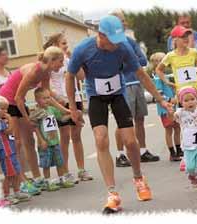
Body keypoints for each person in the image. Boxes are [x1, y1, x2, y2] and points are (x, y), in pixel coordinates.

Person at [66, 15, 171, 214]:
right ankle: (112, 193)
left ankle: (139, 178)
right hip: (96, 95)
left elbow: (141, 74)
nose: (116, 45)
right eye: (112, 41)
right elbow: (69, 76)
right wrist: (73, 107)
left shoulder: (123, 47)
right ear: (101, 35)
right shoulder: (83, 49)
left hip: (117, 94)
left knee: (131, 142)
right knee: (101, 139)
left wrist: (160, 98)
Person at [0, 46, 65, 194]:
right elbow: (18, 97)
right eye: (60, 62)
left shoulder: (46, 73)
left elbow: (47, 96)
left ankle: (37, 178)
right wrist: (28, 118)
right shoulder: (33, 71)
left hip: (18, 103)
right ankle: (21, 180)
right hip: (8, 102)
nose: (62, 65)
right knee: (16, 142)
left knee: (30, 141)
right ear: (52, 60)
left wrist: (67, 109)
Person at [156, 25, 197, 172]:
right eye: (182, 36)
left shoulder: (194, 52)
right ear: (175, 39)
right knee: (185, 125)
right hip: (182, 94)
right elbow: (158, 69)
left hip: (196, 91)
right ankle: (187, 156)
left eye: (187, 36)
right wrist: (167, 82)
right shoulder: (171, 56)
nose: (186, 39)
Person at [111, 10, 160, 167]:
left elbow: (143, 60)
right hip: (123, 87)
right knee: (123, 122)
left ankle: (143, 150)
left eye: (125, 21)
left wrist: (128, 62)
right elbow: (116, 65)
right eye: (122, 21)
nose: (125, 23)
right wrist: (130, 62)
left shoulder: (129, 41)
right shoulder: (111, 43)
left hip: (137, 84)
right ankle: (120, 154)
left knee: (140, 119)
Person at [44, 33, 93, 182]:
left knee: (76, 136)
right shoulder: (50, 62)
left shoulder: (68, 60)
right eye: (63, 43)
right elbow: (46, 87)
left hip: (75, 98)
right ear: (55, 45)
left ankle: (81, 170)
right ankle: (64, 172)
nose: (66, 46)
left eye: (66, 43)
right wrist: (61, 100)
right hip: (60, 102)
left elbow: (81, 77)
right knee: (64, 137)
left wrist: (73, 59)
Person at [169, 87, 197, 195]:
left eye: (192, 99)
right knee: (190, 167)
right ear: (181, 102)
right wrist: (170, 112)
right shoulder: (181, 113)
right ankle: (192, 175)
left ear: (196, 100)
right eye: (186, 100)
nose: (190, 102)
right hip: (188, 144)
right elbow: (172, 119)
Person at [30, 87, 75, 191]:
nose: (47, 100)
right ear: (37, 99)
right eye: (44, 98)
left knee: (60, 161)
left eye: (49, 98)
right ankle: (47, 181)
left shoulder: (52, 109)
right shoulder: (37, 112)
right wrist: (41, 140)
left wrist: (71, 115)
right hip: (45, 143)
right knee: (46, 163)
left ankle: (61, 179)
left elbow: (62, 118)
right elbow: (34, 127)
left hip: (55, 141)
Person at [0, 96, 31, 207]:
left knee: (16, 172)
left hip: (11, 151)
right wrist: (10, 120)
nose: (6, 112)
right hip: (5, 153)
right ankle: (7, 194)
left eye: (6, 109)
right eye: (3, 109)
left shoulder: (2, 120)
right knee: (9, 175)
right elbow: (8, 131)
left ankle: (17, 191)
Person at [150, 52, 182, 161]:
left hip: (174, 106)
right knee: (169, 130)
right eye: (162, 60)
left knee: (177, 128)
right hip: (165, 108)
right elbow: (158, 93)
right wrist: (169, 99)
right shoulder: (157, 77)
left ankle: (179, 149)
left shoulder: (165, 75)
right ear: (156, 63)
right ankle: (172, 152)